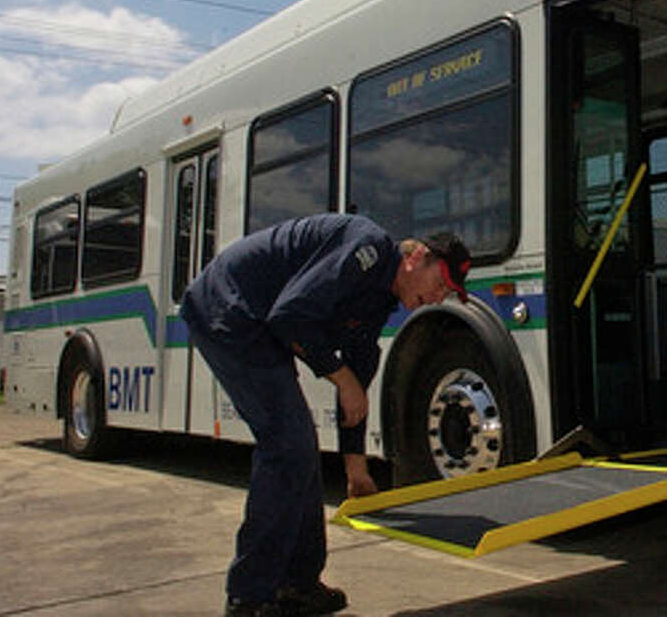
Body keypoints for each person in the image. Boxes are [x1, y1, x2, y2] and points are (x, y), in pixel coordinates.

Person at [180, 213, 470, 617]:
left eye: (449, 293)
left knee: (299, 447)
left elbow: (358, 380)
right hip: (229, 309)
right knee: (287, 448)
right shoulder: (366, 250)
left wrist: (356, 466)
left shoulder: (379, 300)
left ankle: (297, 585)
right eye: (440, 283)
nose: (439, 298)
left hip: (260, 325)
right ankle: (248, 596)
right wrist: (342, 377)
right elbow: (290, 316)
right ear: (415, 257)